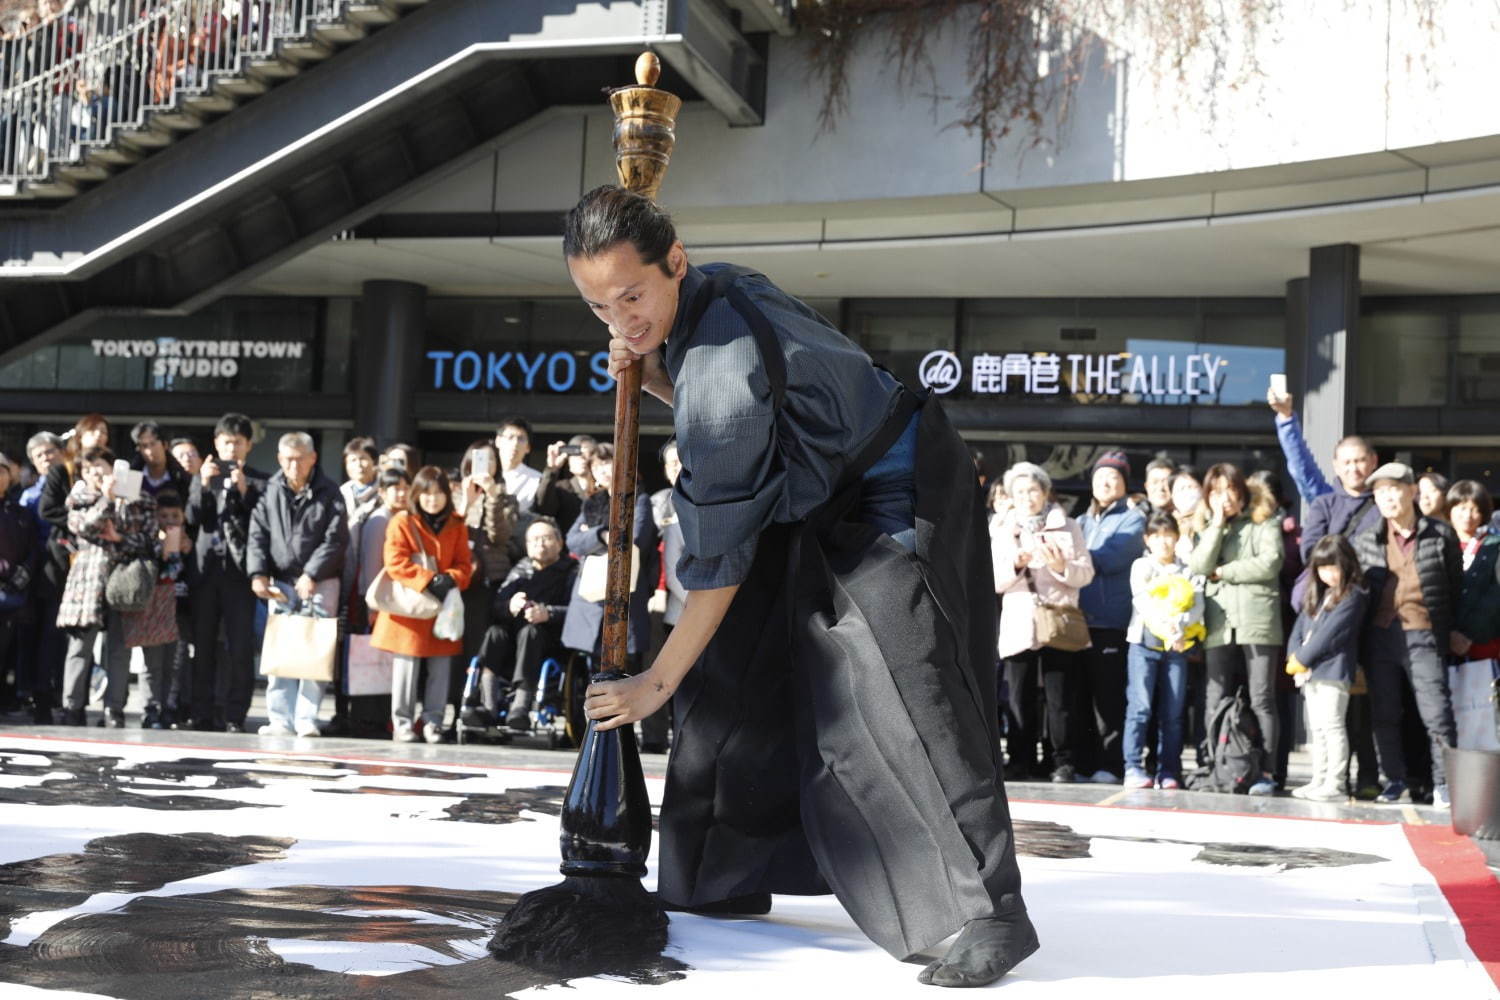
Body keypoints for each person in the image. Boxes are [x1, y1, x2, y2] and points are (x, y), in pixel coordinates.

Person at [567, 185, 1037, 987]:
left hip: (894, 485)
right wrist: (650, 377)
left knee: (901, 677)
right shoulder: (713, 292)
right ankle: (724, 868)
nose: (620, 320)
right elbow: (759, 409)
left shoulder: (716, 350)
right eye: (600, 306)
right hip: (809, 489)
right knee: (744, 664)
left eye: (633, 295)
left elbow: (717, 553)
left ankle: (987, 911)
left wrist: (655, 681)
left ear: (674, 261)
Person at [1350, 462, 1462, 809]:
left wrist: (1454, 629)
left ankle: (1445, 783)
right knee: (1383, 712)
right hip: (1380, 636)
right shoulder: (1366, 537)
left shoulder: (1440, 534)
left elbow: (1456, 587)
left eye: (1393, 489)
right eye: (1380, 492)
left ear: (1412, 491)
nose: (1386, 498)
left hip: (1425, 633)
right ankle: (1393, 780)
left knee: (1437, 713)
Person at [992, 462, 1094, 784]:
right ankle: (1020, 759)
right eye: (1019, 491)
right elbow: (993, 580)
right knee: (1019, 695)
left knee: (1059, 697)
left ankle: (1062, 761)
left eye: (1033, 490)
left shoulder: (1068, 525)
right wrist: (1016, 564)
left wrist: (1062, 565)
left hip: (1057, 619)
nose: (1027, 497)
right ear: (1010, 496)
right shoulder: (1001, 528)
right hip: (1020, 620)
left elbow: (1086, 574)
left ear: (1046, 492)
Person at [1187, 463, 1284, 796]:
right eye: (1215, 492)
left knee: (1262, 698)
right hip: (1219, 621)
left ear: (1242, 491)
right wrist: (1215, 523)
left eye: (1230, 490)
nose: (1224, 498)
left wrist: (1225, 571)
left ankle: (1267, 773)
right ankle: (1218, 765)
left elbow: (1271, 562)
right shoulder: (1208, 526)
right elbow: (1199, 565)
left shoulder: (1264, 520)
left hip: (1258, 620)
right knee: (1214, 697)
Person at [247, 432, 348, 738]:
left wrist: (313, 574)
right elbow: (258, 535)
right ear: (279, 459)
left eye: (300, 458)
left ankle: (307, 718)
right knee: (281, 649)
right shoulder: (270, 491)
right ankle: (279, 718)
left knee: (313, 649)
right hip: (282, 580)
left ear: (313, 458)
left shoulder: (330, 492)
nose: (294, 465)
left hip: (321, 581)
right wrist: (258, 574)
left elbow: (336, 539)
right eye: (288, 459)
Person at [371, 465, 473, 743]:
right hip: (410, 606)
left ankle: (433, 722)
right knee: (406, 667)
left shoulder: (456, 523)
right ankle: (402, 723)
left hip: (442, 606)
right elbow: (395, 562)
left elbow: (465, 564)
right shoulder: (403, 521)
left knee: (440, 668)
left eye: (439, 493)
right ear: (417, 494)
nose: (433, 499)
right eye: (427, 494)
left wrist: (451, 579)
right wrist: (428, 579)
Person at [558, 445, 659, 719]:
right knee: (589, 665)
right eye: (597, 465)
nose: (602, 470)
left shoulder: (639, 500)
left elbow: (635, 539)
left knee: (623, 666)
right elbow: (572, 541)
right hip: (590, 596)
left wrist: (594, 537)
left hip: (623, 594)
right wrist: (602, 534)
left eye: (608, 463)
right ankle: (586, 725)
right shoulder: (592, 502)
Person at [56, 447, 154, 728]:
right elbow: (84, 528)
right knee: (79, 647)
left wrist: (120, 538)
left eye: (100, 467)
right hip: (87, 582)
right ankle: (72, 707)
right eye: (88, 470)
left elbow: (148, 541)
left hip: (124, 581)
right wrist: (106, 500)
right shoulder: (78, 500)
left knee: (120, 649)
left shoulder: (138, 498)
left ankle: (114, 708)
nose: (96, 474)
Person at [186, 413, 269, 733]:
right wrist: (204, 484)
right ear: (216, 443)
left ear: (248, 445)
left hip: (240, 574)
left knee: (240, 646)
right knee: (203, 646)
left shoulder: (261, 480)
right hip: (206, 571)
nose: (231, 447)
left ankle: (235, 713)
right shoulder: (203, 475)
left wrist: (246, 492)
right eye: (225, 441)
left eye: (237, 442)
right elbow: (193, 518)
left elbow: (261, 526)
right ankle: (201, 711)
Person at [463, 517, 577, 729]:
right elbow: (497, 607)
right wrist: (510, 605)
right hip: (514, 638)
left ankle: (521, 706)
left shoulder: (571, 570)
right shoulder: (521, 569)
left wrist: (548, 613)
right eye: (534, 540)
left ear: (560, 543)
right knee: (495, 633)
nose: (540, 544)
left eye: (546, 538)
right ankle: (489, 705)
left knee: (530, 633)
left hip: (550, 638)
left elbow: (578, 612)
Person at [1075, 450, 1144, 783]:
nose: (1105, 482)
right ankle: (1084, 763)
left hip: (1110, 621)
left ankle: (1111, 764)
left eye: (1113, 478)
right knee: (1081, 697)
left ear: (1124, 485)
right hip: (1078, 623)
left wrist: (1072, 558)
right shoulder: (1081, 521)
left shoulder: (1132, 519)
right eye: (1100, 477)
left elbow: (1109, 559)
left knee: (1109, 697)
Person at [1285, 535, 1368, 802]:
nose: (1328, 574)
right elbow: (1299, 627)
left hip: (1334, 671)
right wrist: (1293, 657)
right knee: (1317, 728)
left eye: (1333, 567)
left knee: (1332, 726)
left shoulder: (1354, 594)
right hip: (1311, 672)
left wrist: (1302, 658)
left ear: (1346, 565)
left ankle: (1335, 782)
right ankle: (1318, 778)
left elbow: (1331, 634)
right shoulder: (1320, 595)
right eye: (1322, 568)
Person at [1124, 513, 1202, 790]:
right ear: (1147, 539)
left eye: (1168, 534)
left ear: (1177, 537)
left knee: (1173, 712)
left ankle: (1169, 769)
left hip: (1177, 647)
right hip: (1143, 645)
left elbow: (1198, 608)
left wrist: (1178, 626)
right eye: (1156, 535)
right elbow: (1143, 601)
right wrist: (1168, 626)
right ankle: (1133, 767)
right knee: (1141, 708)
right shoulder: (1141, 566)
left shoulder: (1187, 570)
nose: (1163, 541)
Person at [1267, 390, 1381, 577]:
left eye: (1360, 461)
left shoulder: (1386, 503)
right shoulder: (1325, 501)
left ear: (1373, 461)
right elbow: (1302, 468)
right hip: (1332, 592)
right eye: (1347, 462)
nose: (1353, 468)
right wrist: (1286, 418)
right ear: (1336, 466)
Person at [120, 489, 192, 730]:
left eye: (175, 515)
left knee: (174, 661)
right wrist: (162, 550)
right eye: (164, 515)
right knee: (153, 662)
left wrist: (185, 549)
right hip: (154, 605)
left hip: (179, 608)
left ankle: (169, 706)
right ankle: (151, 708)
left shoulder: (190, 539)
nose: (170, 520)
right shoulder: (148, 539)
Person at [18, 432, 64, 723]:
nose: (46, 458)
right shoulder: (28, 496)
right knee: (37, 638)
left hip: (67, 570)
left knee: (59, 638)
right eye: (39, 455)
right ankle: (36, 696)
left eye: (50, 451)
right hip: (37, 574)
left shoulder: (74, 486)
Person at [0, 454, 38, 720]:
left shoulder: (19, 510)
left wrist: (24, 572)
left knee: (8, 649)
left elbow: (33, 547)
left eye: (3, 471)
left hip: (14, 592)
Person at [1447, 480, 1500, 666]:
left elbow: (1495, 594)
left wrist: (1467, 635)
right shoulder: (1439, 542)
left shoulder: (1495, 545)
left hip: (1484, 641)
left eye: (1475, 509)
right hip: (1442, 641)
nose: (1467, 516)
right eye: (1461, 508)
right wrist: (1449, 633)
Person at [533, 433, 597, 533]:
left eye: (588, 453)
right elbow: (542, 507)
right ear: (568, 459)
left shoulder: (604, 488)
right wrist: (552, 469)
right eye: (577, 453)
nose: (582, 458)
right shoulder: (561, 488)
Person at [128, 421, 190, 499]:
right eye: (144, 446)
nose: (149, 451)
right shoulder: (131, 477)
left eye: (153, 444)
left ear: (165, 445)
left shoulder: (181, 478)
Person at [495, 417, 540, 514]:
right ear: (498, 441)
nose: (515, 443)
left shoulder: (537, 480)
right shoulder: (485, 475)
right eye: (510, 437)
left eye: (521, 439)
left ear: (528, 447)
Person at [340, 437, 381, 529]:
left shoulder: (384, 491)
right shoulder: (341, 493)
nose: (358, 465)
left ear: (373, 461)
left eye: (363, 459)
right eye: (353, 460)